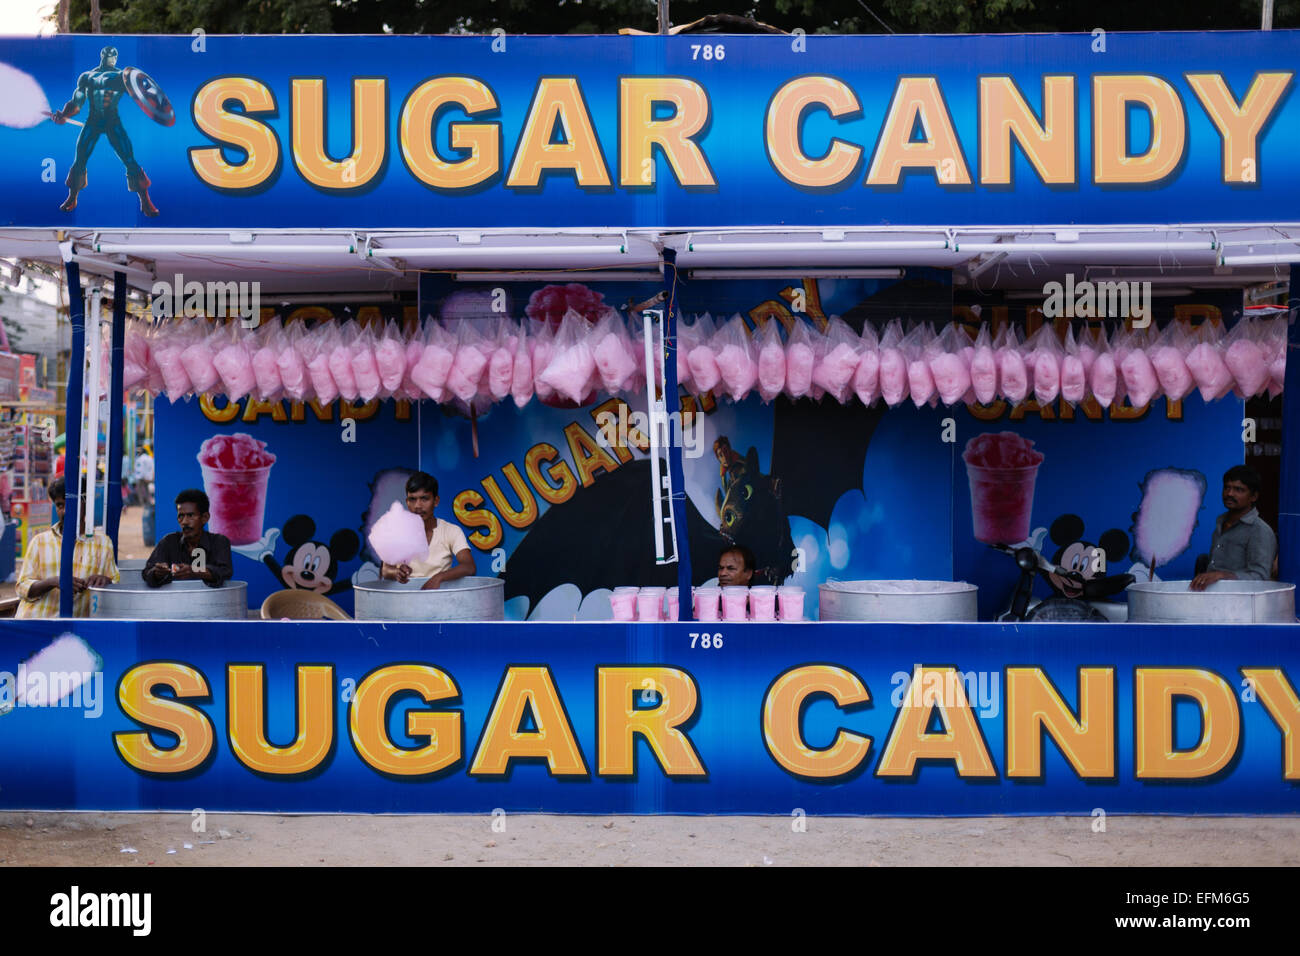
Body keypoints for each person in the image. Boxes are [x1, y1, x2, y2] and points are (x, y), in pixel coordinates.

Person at [14, 476, 119, 618]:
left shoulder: (103, 543)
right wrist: (53, 582)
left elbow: (115, 583)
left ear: (85, 503)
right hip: (35, 621)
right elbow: (21, 587)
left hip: (72, 629)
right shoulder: (39, 542)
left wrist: (105, 581)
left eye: (69, 503)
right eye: (59, 505)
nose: (64, 511)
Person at [381, 472, 476, 590]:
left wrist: (438, 578)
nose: (418, 506)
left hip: (440, 601)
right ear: (407, 502)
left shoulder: (451, 531)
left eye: (424, 499)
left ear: (436, 501)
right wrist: (396, 572)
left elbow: (469, 567)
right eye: (412, 499)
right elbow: (385, 570)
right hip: (404, 601)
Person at [1190, 465, 1277, 591]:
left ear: (1254, 496)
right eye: (1227, 487)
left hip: (1238, 605)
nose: (1230, 493)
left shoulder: (1259, 530)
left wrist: (1222, 575)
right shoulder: (1221, 523)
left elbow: (1260, 576)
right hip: (1211, 600)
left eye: (1239, 489)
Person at [143, 488, 234, 588]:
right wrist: (157, 573)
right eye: (181, 516)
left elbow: (225, 572)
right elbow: (147, 572)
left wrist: (194, 571)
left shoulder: (219, 542)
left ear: (205, 518)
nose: (185, 522)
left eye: (190, 515)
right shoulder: (169, 542)